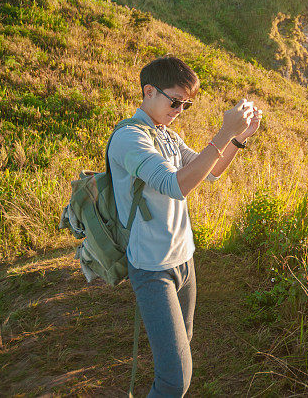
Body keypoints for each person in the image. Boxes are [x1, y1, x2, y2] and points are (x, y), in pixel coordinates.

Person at [107, 54, 261, 397]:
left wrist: (238, 138)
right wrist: (224, 131)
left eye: (185, 105)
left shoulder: (166, 135)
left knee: (182, 348)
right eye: (175, 101)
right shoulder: (130, 139)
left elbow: (212, 170)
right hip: (152, 267)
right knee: (175, 379)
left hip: (184, 260)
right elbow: (177, 185)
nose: (178, 111)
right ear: (148, 92)